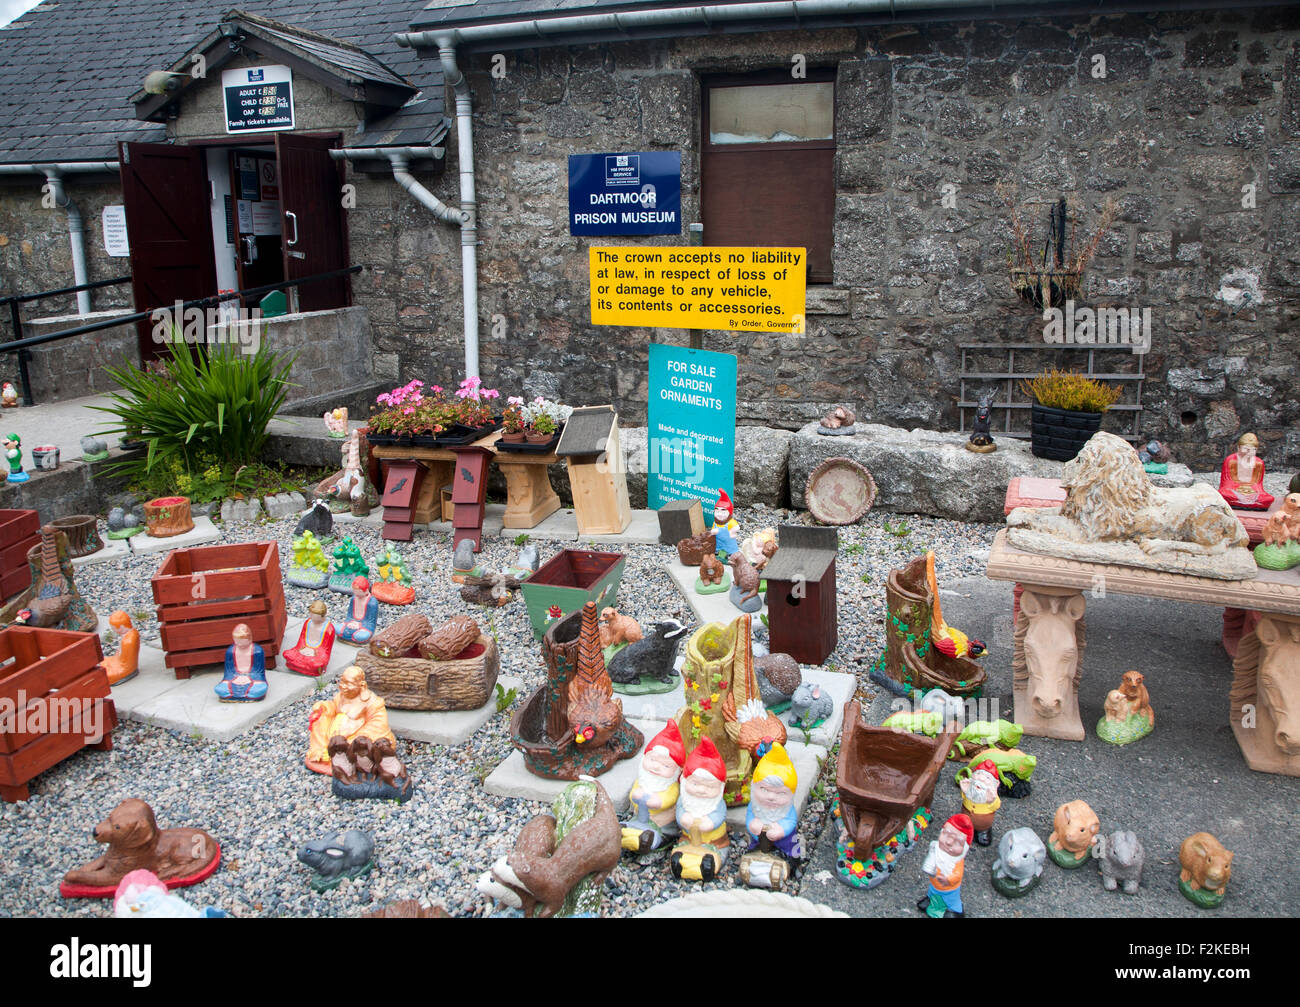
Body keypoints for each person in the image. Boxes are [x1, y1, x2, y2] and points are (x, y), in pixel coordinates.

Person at [305, 666, 396, 773]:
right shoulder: (341, 696)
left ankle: (342, 756)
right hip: (333, 736)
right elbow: (334, 707)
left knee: (374, 744)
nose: (343, 686)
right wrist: (324, 706)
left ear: (362, 685)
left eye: (348, 683)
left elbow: (378, 725)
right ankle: (320, 750)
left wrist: (351, 741)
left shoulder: (373, 703)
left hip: (354, 737)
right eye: (342, 681)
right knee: (320, 717)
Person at [621, 721, 685, 853]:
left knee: (659, 834)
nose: (656, 767)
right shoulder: (643, 780)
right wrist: (635, 795)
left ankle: (649, 841)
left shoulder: (671, 786)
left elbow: (669, 799)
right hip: (640, 818)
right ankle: (626, 834)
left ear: (676, 771)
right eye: (652, 760)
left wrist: (658, 802)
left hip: (662, 824)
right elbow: (634, 792)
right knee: (634, 827)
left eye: (665, 766)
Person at [745, 743, 804, 859]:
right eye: (764, 790)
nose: (771, 797)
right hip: (759, 838)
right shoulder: (754, 806)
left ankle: (792, 859)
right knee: (755, 847)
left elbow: (791, 821)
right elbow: (750, 817)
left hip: (784, 839)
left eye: (780, 793)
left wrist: (782, 830)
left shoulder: (787, 809)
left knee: (791, 848)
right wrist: (752, 826)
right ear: (754, 787)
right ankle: (754, 854)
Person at [918, 814, 972, 918]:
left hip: (948, 889)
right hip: (934, 884)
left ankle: (955, 911)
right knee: (933, 892)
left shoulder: (956, 862)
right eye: (946, 835)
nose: (949, 842)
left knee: (950, 900)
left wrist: (948, 879)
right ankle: (930, 900)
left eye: (957, 842)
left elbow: (957, 875)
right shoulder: (937, 850)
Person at [1218, 432, 1275, 511]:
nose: (1249, 452)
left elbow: (1258, 485)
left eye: (1253, 449)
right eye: (1246, 449)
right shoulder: (1230, 460)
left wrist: (1252, 494)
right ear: (1238, 448)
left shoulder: (1259, 463)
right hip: (1233, 490)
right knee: (1223, 494)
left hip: (1252, 490)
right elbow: (1227, 483)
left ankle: (1242, 502)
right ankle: (1247, 502)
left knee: (1268, 499)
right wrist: (1239, 492)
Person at [214, 624, 268, 702]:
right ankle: (235, 694)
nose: (239, 644)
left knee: (258, 690)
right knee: (220, 689)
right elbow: (229, 672)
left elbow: (259, 672)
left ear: (250, 639)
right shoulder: (230, 651)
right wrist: (236, 678)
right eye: (237, 642)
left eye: (243, 642)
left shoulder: (257, 651)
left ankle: (250, 694)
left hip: (253, 678)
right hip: (234, 677)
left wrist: (248, 678)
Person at [284, 600, 336, 677]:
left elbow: (326, 650)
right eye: (310, 614)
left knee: (316, 664)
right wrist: (303, 649)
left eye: (314, 615)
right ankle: (302, 664)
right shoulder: (308, 623)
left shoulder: (329, 629)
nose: (311, 616)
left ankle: (308, 666)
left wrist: (313, 652)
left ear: (322, 615)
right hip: (303, 649)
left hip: (317, 654)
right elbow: (301, 641)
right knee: (288, 654)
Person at [959, 759, 1001, 847]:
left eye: (987, 778)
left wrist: (991, 801)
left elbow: (996, 805)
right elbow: (965, 796)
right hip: (966, 816)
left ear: (996, 783)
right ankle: (965, 830)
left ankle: (982, 833)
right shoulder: (971, 788)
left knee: (983, 831)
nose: (981, 778)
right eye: (978, 774)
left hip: (983, 823)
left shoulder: (991, 795)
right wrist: (964, 790)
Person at [102, 610, 140, 687]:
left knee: (102, 673)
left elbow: (124, 662)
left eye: (114, 628)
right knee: (102, 662)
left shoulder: (128, 641)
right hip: (120, 661)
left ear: (121, 627)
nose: (113, 630)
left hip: (125, 667)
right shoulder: (132, 633)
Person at [336, 576, 378, 643]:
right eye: (354, 592)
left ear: (366, 590)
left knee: (361, 636)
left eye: (359, 592)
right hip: (351, 623)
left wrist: (360, 625)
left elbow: (371, 623)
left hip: (364, 627)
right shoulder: (354, 598)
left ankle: (356, 637)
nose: (356, 594)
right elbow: (349, 615)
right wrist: (349, 622)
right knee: (337, 629)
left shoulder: (372, 603)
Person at [710, 490, 740, 557]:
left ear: (729, 513)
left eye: (723, 512)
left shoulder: (730, 522)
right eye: (717, 512)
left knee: (730, 552)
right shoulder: (715, 522)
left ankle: (729, 555)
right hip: (718, 545)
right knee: (719, 553)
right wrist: (713, 532)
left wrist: (733, 531)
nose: (720, 514)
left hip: (729, 545)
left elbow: (737, 527)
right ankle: (719, 555)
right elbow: (712, 531)